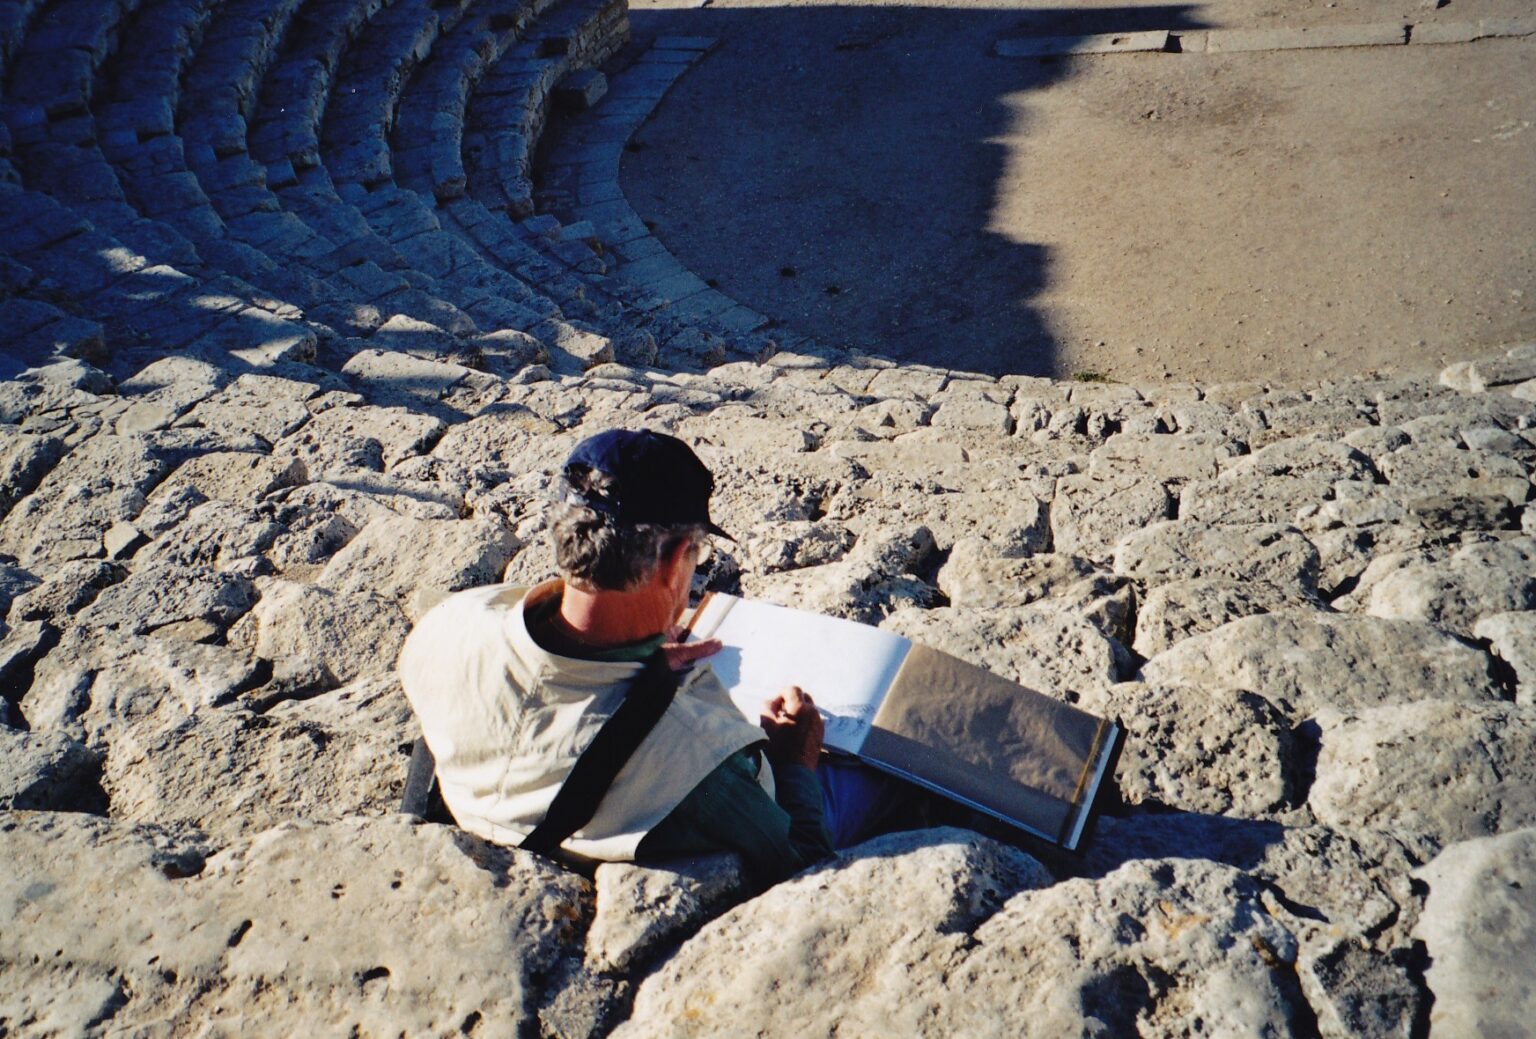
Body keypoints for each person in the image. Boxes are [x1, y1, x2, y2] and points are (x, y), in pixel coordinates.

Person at [399, 428, 887, 887]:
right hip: (684, 803)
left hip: (511, 809)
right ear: (675, 560)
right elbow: (803, 864)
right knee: (876, 787)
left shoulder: (449, 623)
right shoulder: (692, 760)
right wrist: (795, 761)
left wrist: (641, 661)